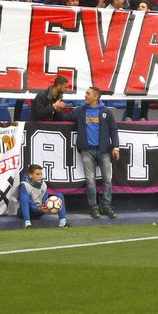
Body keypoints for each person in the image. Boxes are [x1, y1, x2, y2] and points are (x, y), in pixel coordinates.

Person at [68, 86, 121, 218]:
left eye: (88, 93)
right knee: (90, 181)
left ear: (95, 96)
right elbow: (65, 117)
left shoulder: (106, 111)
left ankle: (106, 206)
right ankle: (93, 207)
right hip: (87, 151)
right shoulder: (80, 110)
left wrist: (116, 147)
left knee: (107, 180)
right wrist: (55, 108)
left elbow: (113, 129)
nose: (85, 95)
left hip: (103, 151)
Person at [19, 164, 68, 228]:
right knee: (25, 198)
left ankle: (63, 222)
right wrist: (37, 208)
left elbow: (44, 199)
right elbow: (27, 202)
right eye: (37, 174)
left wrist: (46, 206)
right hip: (26, 211)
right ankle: (27, 223)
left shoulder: (43, 185)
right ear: (30, 175)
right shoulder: (24, 185)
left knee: (59, 195)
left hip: (39, 211)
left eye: (41, 174)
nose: (40, 176)